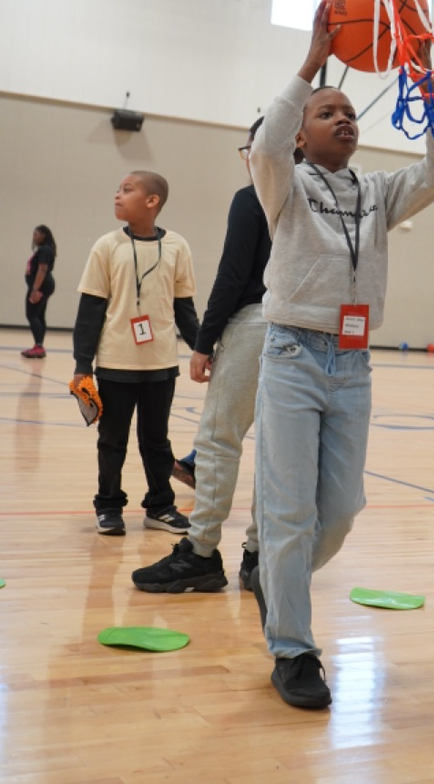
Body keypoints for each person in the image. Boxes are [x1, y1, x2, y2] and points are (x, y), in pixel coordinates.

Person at [248, 0, 434, 709]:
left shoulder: (376, 192)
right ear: (303, 137)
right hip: (290, 354)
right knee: (287, 512)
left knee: (336, 510)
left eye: (348, 110)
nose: (343, 117)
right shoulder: (284, 185)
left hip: (352, 362)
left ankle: (277, 588)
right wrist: (309, 63)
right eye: (326, 111)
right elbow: (265, 146)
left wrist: (426, 74)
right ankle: (293, 647)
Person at [131, 118, 272, 594]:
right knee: (279, 450)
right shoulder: (319, 199)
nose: (248, 156)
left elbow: (233, 277)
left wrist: (204, 341)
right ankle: (259, 556)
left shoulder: (254, 196)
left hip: (256, 326)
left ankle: (202, 552)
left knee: (217, 441)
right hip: (310, 334)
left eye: (250, 147)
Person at [72, 170, 200, 536]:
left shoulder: (177, 246)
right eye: (117, 189)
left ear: (152, 201)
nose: (116, 195)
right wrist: (83, 366)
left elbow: (185, 309)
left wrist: (203, 350)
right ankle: (109, 506)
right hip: (115, 365)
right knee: (112, 441)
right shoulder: (106, 246)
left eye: (126, 190)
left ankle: (160, 506)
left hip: (161, 365)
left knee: (156, 441)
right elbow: (90, 311)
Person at [22, 225, 57, 359]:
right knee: (39, 315)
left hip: (41, 286)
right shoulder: (44, 249)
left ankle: (38, 346)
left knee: (31, 314)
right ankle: (39, 345)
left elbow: (42, 270)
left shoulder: (45, 250)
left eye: (36, 234)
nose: (34, 237)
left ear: (43, 235)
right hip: (44, 285)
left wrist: (35, 289)